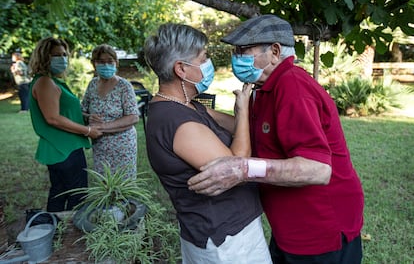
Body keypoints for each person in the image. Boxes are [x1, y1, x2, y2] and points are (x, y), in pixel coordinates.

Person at [188, 14, 365, 263]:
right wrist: (201, 112)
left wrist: (241, 169)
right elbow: (247, 129)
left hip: (320, 228)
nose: (237, 57)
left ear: (274, 51)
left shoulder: (292, 86)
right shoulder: (265, 88)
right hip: (291, 226)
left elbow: (317, 170)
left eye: (244, 50)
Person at [144, 23, 272, 264]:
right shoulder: (177, 123)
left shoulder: (187, 106)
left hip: (230, 232)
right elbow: (237, 164)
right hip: (225, 241)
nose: (208, 63)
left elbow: (236, 127)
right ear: (181, 69)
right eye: (203, 57)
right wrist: (243, 109)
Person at [29, 37, 102, 212]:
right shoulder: (45, 82)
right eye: (56, 55)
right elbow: (52, 118)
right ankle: (73, 235)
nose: (62, 59)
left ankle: (56, 232)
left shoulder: (51, 81)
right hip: (64, 149)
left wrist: (84, 116)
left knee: (60, 193)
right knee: (78, 196)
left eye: (64, 55)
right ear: (44, 57)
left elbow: (60, 111)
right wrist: (88, 131)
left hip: (60, 149)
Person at [81, 44, 139, 179]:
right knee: (104, 184)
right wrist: (88, 117)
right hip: (100, 145)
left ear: (116, 63)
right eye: (101, 62)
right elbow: (83, 110)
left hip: (123, 145)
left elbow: (133, 117)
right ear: (94, 64)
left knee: (124, 185)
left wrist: (103, 127)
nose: (106, 65)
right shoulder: (92, 84)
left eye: (109, 61)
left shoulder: (124, 86)